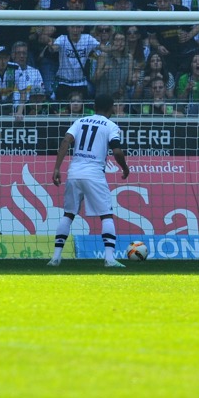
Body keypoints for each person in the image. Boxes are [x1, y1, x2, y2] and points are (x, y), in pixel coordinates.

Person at [49, 93, 130, 268]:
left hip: (74, 173)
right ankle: (109, 259)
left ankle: (55, 257)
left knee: (68, 214)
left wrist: (57, 168)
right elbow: (116, 151)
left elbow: (65, 141)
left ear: (93, 106)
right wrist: (124, 168)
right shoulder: (111, 126)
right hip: (94, 174)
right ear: (111, 109)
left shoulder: (80, 121)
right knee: (106, 215)